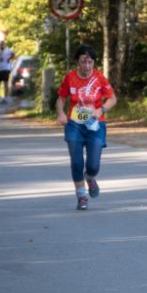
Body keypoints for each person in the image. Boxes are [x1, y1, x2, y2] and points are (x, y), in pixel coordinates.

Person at [56, 44, 117, 210]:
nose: (87, 66)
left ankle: (90, 178)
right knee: (76, 162)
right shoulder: (69, 78)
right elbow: (61, 99)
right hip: (74, 123)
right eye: (84, 62)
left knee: (93, 166)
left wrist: (102, 109)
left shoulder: (99, 78)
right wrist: (60, 113)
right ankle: (81, 195)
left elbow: (112, 99)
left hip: (95, 124)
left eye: (90, 62)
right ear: (77, 62)